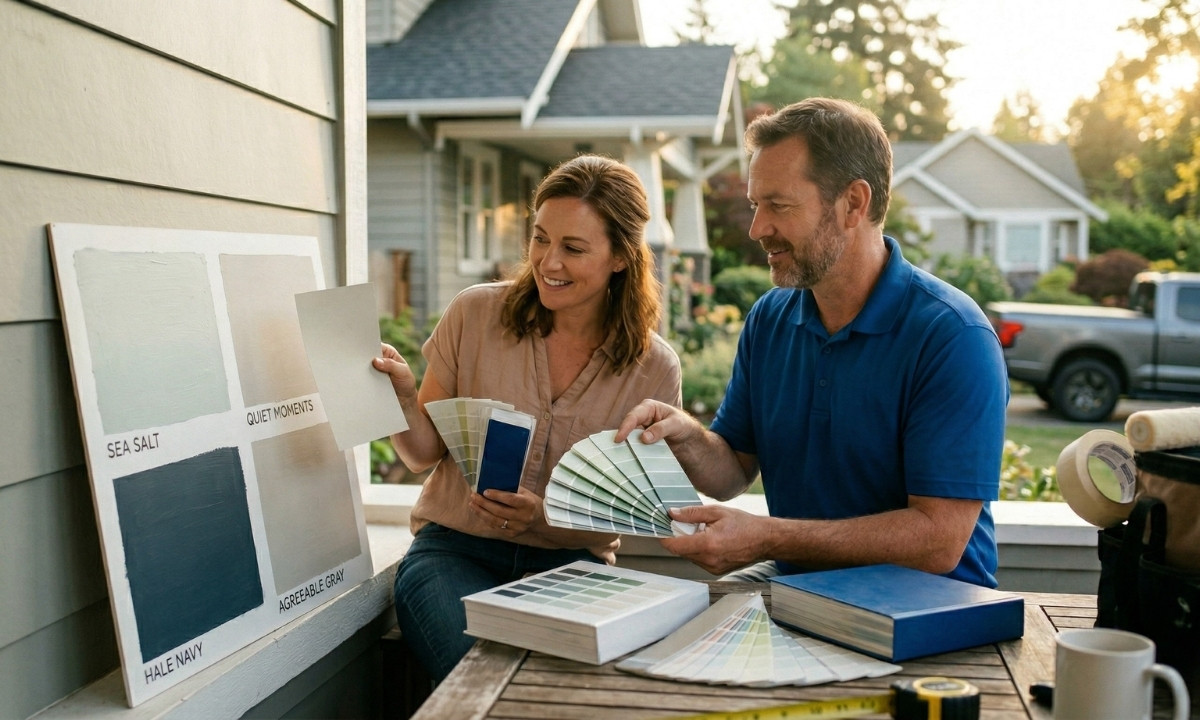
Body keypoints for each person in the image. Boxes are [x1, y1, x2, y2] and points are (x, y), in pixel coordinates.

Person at [616, 98, 1009, 588]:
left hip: (925, 605)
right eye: (756, 205)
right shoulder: (771, 318)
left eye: (778, 206)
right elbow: (733, 469)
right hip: (798, 585)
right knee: (676, 630)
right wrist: (686, 436)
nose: (759, 229)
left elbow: (939, 541)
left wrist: (769, 537)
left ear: (853, 204)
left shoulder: (952, 337)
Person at [373, 154, 681, 682]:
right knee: (476, 678)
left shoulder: (654, 369)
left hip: (573, 570)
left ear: (621, 258)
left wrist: (543, 519)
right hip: (454, 554)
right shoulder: (474, 314)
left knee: (562, 689)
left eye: (573, 248)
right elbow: (422, 453)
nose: (548, 262)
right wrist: (401, 399)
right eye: (540, 238)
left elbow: (626, 515)